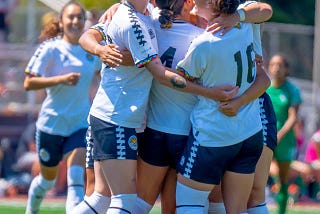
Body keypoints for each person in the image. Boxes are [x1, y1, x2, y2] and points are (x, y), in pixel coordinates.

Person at [78, 0, 247, 212]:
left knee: (128, 202)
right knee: (198, 202)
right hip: (183, 131)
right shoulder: (203, 39)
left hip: (151, 130)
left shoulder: (153, 19)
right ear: (187, 4)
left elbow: (91, 36)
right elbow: (161, 74)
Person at [174, 0, 265, 213]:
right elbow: (264, 10)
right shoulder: (245, 25)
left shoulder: (204, 43)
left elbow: (182, 79)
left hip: (213, 135)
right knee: (237, 210)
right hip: (249, 132)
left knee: (190, 205)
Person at [23, 2, 103, 213]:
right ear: (61, 21)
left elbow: (102, 77)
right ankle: (31, 210)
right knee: (47, 181)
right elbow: (29, 83)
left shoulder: (90, 51)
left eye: (79, 17)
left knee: (76, 173)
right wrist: (60, 79)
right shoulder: (50, 49)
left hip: (79, 123)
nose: (75, 21)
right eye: (71, 17)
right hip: (51, 125)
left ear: (84, 22)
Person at [266, 53, 302, 214]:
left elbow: (293, 117)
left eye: (280, 65)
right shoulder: (264, 87)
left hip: (285, 141)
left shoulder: (292, 90)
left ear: (286, 69)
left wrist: (279, 135)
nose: (276, 68)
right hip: (266, 138)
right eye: (273, 64)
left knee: (283, 179)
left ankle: (281, 211)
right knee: (255, 176)